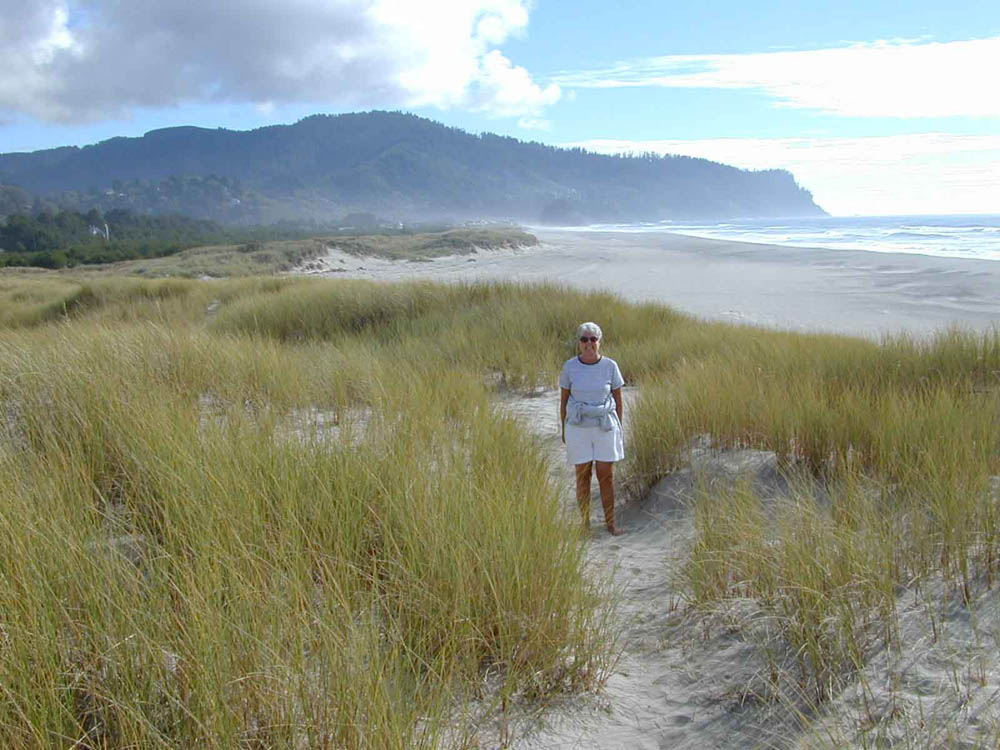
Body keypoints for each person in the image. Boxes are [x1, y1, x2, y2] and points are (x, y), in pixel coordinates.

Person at [559, 322, 625, 536]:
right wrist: (564, 429)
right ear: (579, 343)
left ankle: (611, 523)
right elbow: (564, 400)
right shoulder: (570, 367)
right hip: (578, 426)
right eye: (584, 339)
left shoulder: (610, 366)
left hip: (605, 426)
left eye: (593, 339)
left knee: (606, 475)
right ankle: (585, 523)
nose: (589, 343)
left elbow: (617, 398)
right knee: (582, 475)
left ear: (599, 342)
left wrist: (619, 428)